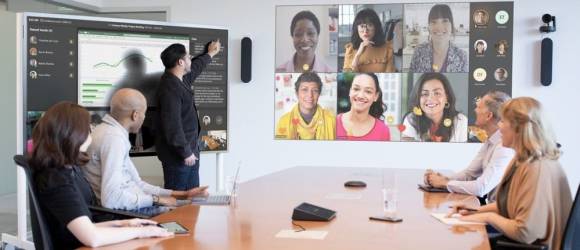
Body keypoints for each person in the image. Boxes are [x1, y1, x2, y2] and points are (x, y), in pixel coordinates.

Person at [29, 102, 172, 249]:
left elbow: (85, 224)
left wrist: (122, 224)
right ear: (72, 134)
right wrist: (141, 232)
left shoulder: (66, 171)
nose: (91, 131)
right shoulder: (56, 181)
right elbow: (92, 237)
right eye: (87, 128)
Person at [450, 97, 572, 250]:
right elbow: (509, 206)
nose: (499, 127)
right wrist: (473, 210)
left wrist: (488, 217)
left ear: (519, 128)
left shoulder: (537, 168)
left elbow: (525, 232)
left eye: (503, 121)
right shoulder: (523, 160)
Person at [84, 88, 208, 211]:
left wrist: (183, 194)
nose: (144, 118)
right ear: (135, 115)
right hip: (126, 213)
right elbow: (111, 199)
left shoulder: (110, 132)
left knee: (188, 205)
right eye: (144, 113)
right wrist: (157, 200)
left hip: (135, 205)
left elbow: (138, 183)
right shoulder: (113, 139)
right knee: (187, 213)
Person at [424, 91, 514, 201]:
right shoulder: (491, 141)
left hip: (499, 213)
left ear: (489, 115)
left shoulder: (504, 147)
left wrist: (445, 183)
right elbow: (469, 174)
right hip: (491, 209)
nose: (475, 110)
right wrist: (441, 179)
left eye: (479, 107)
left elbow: (481, 188)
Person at [156, 41, 221, 190]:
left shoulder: (180, 80)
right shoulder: (169, 88)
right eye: (188, 57)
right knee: (178, 204)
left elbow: (196, 68)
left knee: (193, 201)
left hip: (190, 154)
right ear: (180, 62)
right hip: (179, 158)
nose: (190, 60)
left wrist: (210, 53)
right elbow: (172, 126)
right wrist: (186, 153)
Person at [401, 73, 467, 142]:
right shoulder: (411, 119)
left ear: (447, 97)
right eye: (425, 94)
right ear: (418, 98)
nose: (431, 98)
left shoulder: (461, 121)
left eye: (437, 93)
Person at [409, 4, 468, 73]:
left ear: (451, 26)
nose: (439, 27)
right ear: (429, 27)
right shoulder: (418, 52)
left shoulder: (462, 56)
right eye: (434, 22)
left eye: (445, 21)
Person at [276, 72, 335, 139]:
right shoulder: (284, 121)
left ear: (319, 94)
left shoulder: (331, 120)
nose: (310, 95)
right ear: (297, 93)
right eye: (304, 90)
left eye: (315, 91)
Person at [336, 73, 390, 141]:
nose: (360, 96)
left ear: (376, 96)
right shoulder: (332, 123)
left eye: (368, 91)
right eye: (356, 89)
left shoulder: (383, 130)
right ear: (350, 91)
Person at [343, 8, 395, 73]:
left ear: (376, 27)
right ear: (357, 29)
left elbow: (390, 73)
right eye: (362, 26)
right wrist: (358, 55)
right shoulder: (350, 49)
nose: (365, 31)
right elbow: (348, 77)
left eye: (370, 25)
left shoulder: (387, 48)